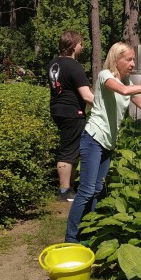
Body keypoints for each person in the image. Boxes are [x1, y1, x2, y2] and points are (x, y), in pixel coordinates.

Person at [65, 42, 141, 243]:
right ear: (116, 59)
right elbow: (123, 92)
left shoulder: (128, 83)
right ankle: (71, 239)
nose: (132, 63)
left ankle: (87, 234)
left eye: (133, 59)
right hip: (93, 138)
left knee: (98, 189)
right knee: (87, 190)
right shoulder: (105, 76)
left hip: (108, 142)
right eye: (129, 59)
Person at [47, 30, 94, 202]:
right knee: (68, 151)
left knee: (72, 148)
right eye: (81, 44)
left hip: (58, 110)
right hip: (72, 113)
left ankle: (69, 188)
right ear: (74, 46)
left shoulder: (53, 64)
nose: (82, 47)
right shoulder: (74, 66)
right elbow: (87, 96)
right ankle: (64, 191)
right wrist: (104, 107)